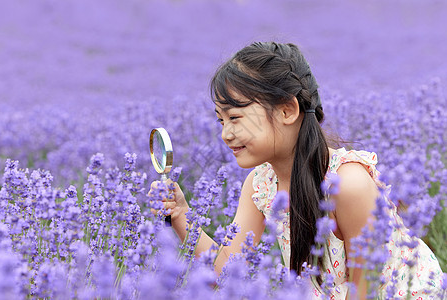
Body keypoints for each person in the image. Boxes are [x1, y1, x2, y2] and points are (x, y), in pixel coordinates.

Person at [149, 42, 443, 299]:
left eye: (235, 117)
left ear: (287, 110)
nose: (226, 133)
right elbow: (227, 271)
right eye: (221, 121)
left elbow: (362, 291)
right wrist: (180, 215)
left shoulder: (348, 183)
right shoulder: (261, 185)